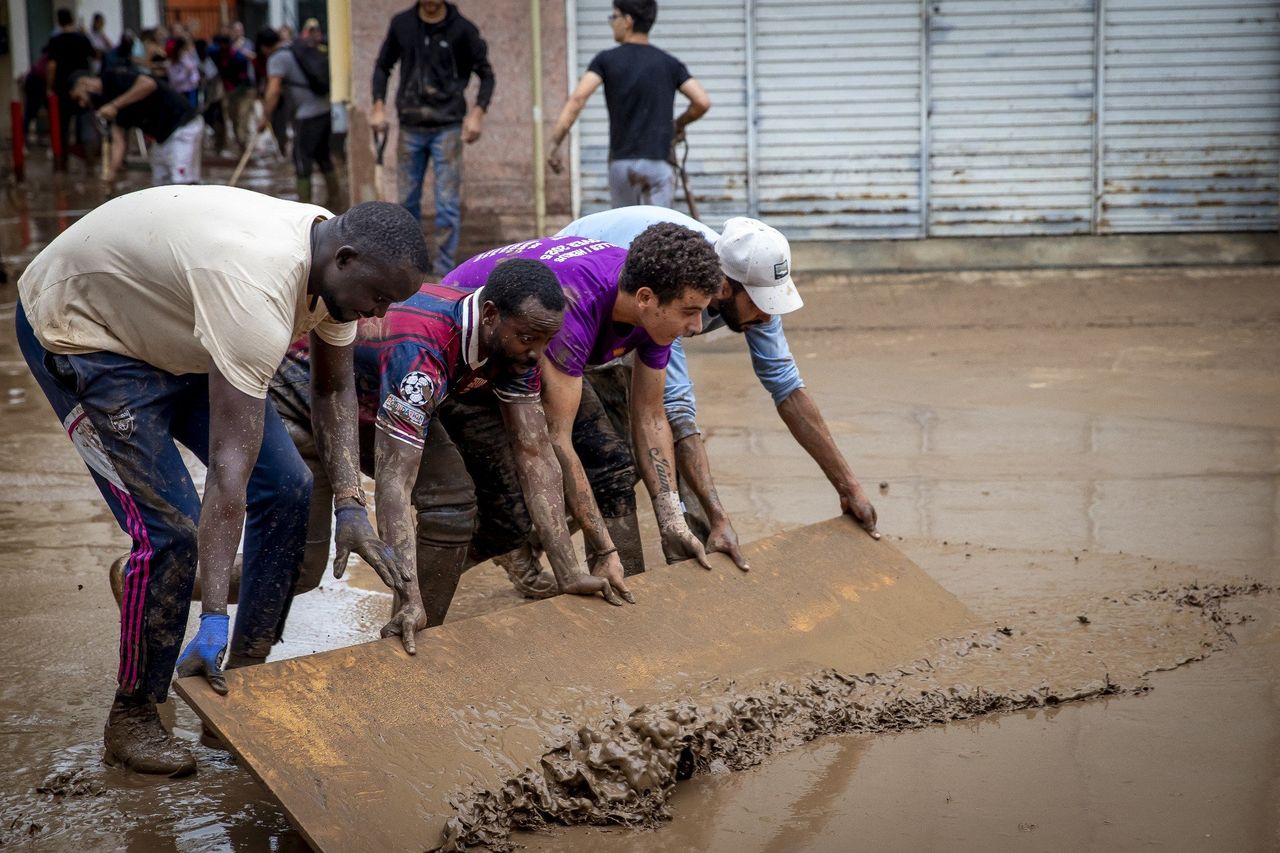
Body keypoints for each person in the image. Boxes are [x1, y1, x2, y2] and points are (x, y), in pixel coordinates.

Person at [16, 189, 427, 776]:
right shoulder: (256, 286)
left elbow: (333, 390)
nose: (378, 316)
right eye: (378, 298)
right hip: (83, 332)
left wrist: (349, 503)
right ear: (344, 258)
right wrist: (211, 613)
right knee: (171, 533)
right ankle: (134, 711)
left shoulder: (339, 280)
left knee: (288, 486)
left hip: (175, 329)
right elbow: (227, 472)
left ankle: (243, 674)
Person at [557, 206, 882, 560]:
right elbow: (677, 414)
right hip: (583, 302)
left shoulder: (748, 286)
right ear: (725, 288)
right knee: (613, 459)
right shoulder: (678, 296)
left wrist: (849, 486)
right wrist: (718, 516)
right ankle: (665, 560)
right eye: (760, 304)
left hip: (638, 298)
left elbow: (787, 387)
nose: (768, 316)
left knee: (644, 453)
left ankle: (693, 557)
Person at [438, 223, 724, 617]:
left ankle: (625, 594)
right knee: (507, 517)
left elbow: (651, 416)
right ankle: (418, 593)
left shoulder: (650, 308)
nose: (698, 326)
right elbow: (558, 440)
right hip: (464, 363)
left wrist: (672, 519)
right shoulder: (575, 305)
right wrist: (604, 548)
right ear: (645, 299)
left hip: (534, 350)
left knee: (613, 467)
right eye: (690, 313)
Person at [546, 0, 710, 209]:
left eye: (614, 17)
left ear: (628, 21)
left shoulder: (605, 60)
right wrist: (678, 124)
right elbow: (702, 102)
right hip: (659, 163)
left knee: (625, 232)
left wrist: (555, 144)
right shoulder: (669, 63)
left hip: (622, 165)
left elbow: (577, 99)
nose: (612, 23)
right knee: (658, 235)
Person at [371, 0, 495, 275]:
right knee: (406, 204)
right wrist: (378, 106)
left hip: (447, 126)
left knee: (447, 205)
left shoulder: (463, 30)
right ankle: (411, 269)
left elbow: (486, 74)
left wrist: (477, 114)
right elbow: (383, 66)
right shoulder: (402, 24)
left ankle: (443, 273)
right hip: (410, 124)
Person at [70, 67, 203, 185]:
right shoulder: (103, 104)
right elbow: (118, 141)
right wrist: (111, 172)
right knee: (160, 182)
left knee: (181, 180)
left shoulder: (113, 77)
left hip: (182, 124)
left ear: (83, 84)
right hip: (162, 136)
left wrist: (115, 105)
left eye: (78, 97)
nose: (82, 104)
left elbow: (149, 84)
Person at [256, 27, 340, 206]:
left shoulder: (277, 58)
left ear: (264, 47)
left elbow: (273, 90)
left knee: (301, 159)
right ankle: (336, 199)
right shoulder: (295, 47)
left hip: (307, 114)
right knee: (323, 155)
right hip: (325, 109)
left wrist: (265, 116)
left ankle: (305, 205)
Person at [45, 8, 97, 170]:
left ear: (59, 22)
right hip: (84, 88)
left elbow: (52, 66)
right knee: (87, 124)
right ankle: (90, 166)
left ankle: (62, 166)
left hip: (63, 90)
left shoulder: (56, 41)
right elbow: (95, 56)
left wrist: (49, 87)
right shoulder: (83, 38)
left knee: (62, 128)